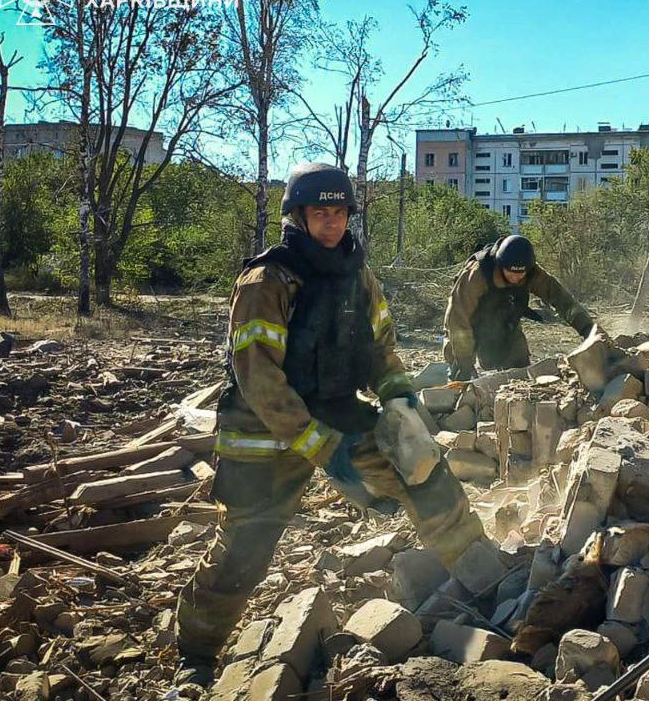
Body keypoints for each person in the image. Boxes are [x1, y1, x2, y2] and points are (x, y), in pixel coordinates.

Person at [174, 162, 487, 690]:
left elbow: (381, 347)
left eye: (339, 212)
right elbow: (260, 379)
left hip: (340, 412)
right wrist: (319, 445)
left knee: (428, 478)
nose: (332, 222)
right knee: (244, 551)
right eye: (320, 213)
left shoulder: (357, 275)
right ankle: (196, 654)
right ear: (296, 217)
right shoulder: (266, 281)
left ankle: (483, 580)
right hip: (264, 433)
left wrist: (398, 397)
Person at [443, 235, 596, 381]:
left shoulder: (532, 272)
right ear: (501, 264)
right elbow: (458, 320)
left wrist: (587, 328)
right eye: (511, 272)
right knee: (460, 371)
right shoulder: (477, 274)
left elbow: (562, 299)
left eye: (521, 273)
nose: (516, 278)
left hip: (504, 320)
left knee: (521, 373)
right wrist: (464, 364)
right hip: (465, 323)